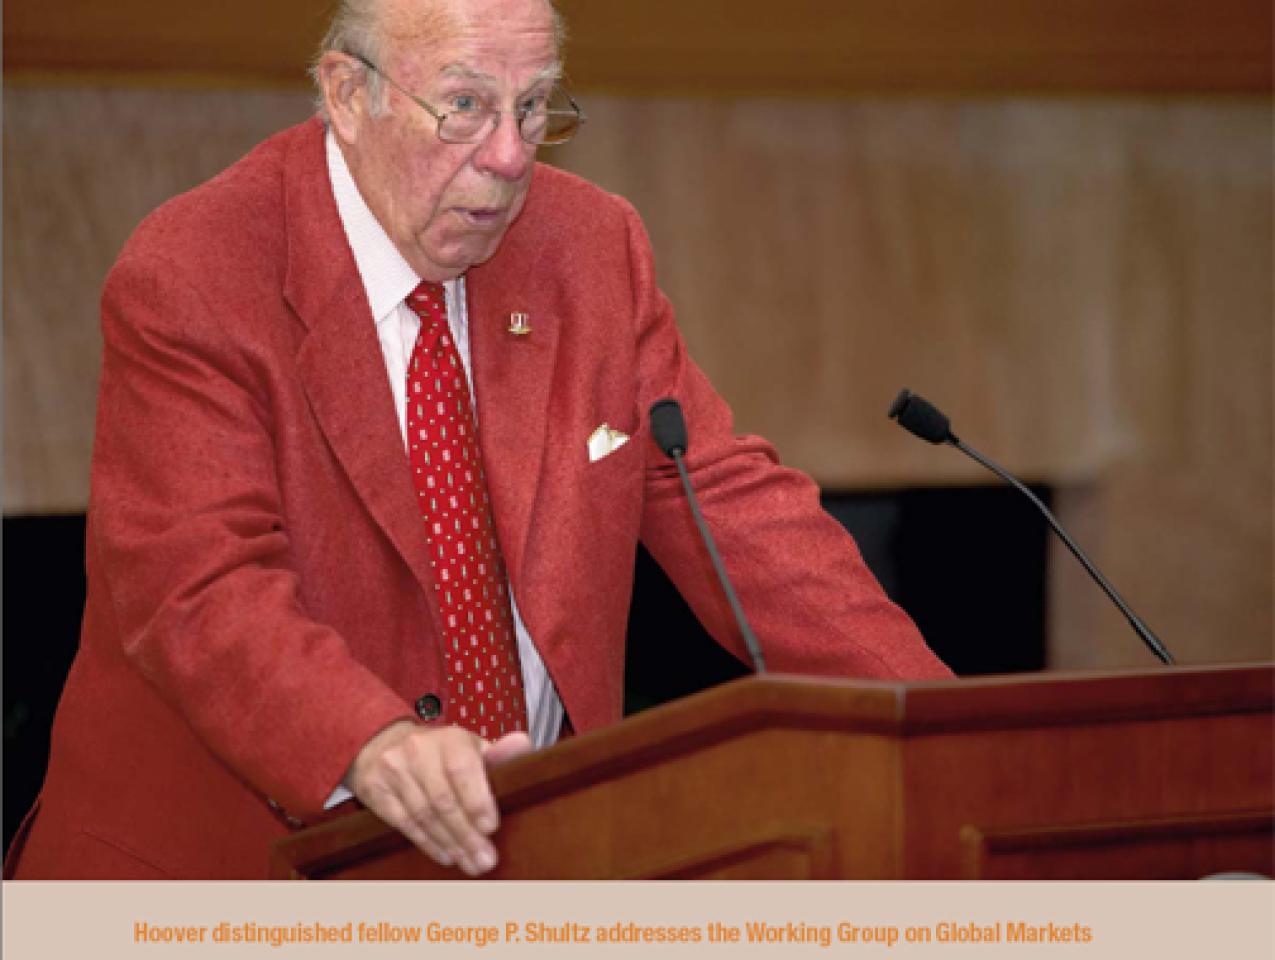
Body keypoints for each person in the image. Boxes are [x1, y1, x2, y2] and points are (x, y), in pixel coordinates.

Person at [7, 0, 950, 880]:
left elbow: (733, 511)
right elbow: (197, 586)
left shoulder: (589, 247)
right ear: (347, 93)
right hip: (213, 883)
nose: (508, 156)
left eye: (534, 107)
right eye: (463, 107)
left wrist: (946, 736)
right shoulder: (196, 271)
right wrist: (369, 742)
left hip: (520, 868)